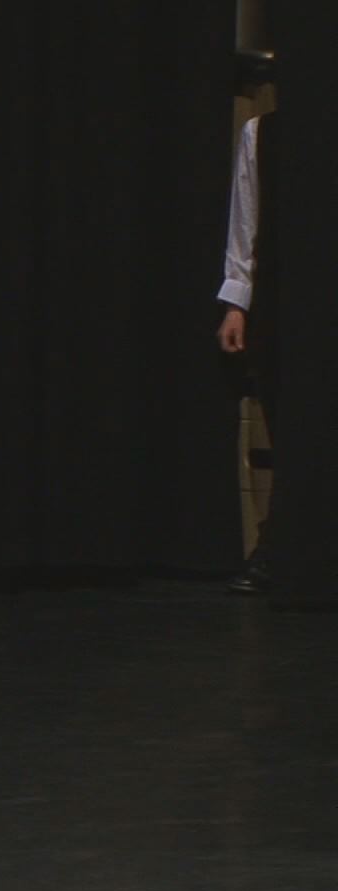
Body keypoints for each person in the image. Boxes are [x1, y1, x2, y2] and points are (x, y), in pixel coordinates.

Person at [215, 51, 278, 594]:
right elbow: (246, 220)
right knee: (286, 423)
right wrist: (237, 301)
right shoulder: (262, 134)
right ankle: (277, 547)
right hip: (284, 301)